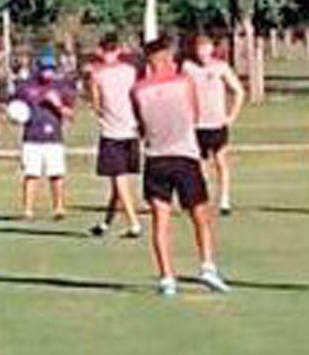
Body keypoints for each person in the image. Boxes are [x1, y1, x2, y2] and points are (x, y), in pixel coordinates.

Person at [133, 37, 231, 297]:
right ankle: (207, 265)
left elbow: (141, 127)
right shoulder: (184, 82)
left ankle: (167, 278)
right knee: (200, 215)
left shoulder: (138, 89)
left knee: (160, 221)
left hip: (156, 158)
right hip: (185, 157)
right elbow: (195, 114)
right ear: (164, 59)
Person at [88, 35, 144, 239]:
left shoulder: (97, 74)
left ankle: (133, 223)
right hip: (129, 130)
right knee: (118, 180)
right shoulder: (130, 71)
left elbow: (96, 104)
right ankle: (106, 222)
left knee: (119, 179)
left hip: (114, 133)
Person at [182, 35, 245, 216]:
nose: (202, 52)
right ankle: (202, 199)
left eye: (205, 48)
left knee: (220, 161)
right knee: (199, 165)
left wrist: (231, 116)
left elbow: (239, 91)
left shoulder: (221, 67)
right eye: (199, 48)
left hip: (216, 123)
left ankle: (224, 200)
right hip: (196, 124)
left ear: (211, 49)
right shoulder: (188, 68)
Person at [14, 50, 77, 220]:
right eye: (44, 68)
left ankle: (58, 208)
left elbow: (71, 115)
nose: (47, 71)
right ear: (38, 68)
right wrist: (15, 115)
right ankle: (28, 210)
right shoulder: (26, 87)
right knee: (31, 174)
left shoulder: (62, 88)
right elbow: (14, 107)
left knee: (56, 174)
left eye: (51, 68)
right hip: (32, 137)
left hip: (53, 138)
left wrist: (57, 105)